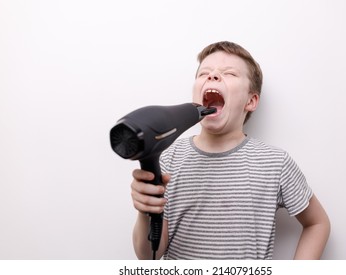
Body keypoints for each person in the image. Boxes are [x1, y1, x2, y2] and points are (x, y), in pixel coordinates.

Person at [131, 41, 330, 260]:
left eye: (229, 73)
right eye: (204, 73)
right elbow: (147, 256)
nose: (213, 76)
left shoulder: (275, 163)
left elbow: (317, 223)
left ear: (251, 101)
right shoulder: (170, 157)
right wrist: (145, 212)